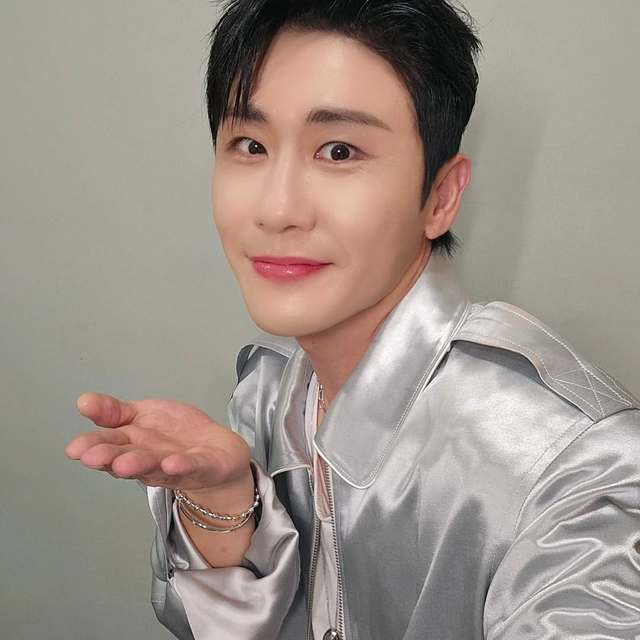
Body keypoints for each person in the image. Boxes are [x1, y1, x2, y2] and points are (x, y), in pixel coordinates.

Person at [65, 1, 640, 638]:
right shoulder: (271, 387)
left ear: (441, 196)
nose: (277, 209)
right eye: (251, 145)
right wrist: (224, 503)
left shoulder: (579, 467)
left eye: (338, 151)